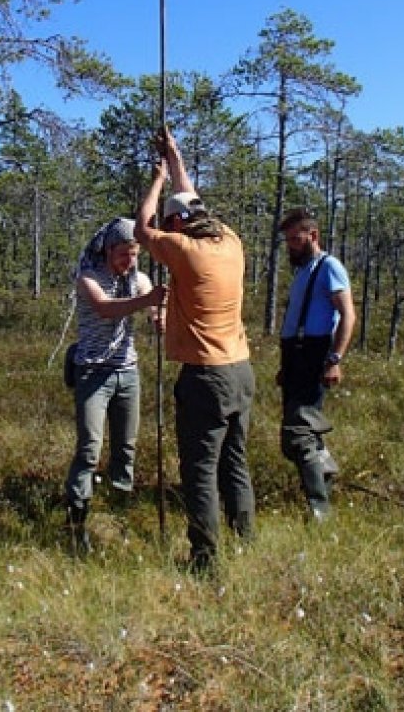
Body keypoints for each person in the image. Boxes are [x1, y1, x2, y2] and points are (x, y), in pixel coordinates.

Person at [135, 126, 255, 573]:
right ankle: (246, 539)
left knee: (200, 470)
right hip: (241, 370)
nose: (169, 230)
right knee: (235, 462)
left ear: (179, 225)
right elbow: (192, 198)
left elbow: (140, 229)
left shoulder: (185, 249)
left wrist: (156, 181)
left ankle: (205, 559)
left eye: (173, 223)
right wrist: (176, 159)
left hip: (206, 377)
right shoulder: (229, 240)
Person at [64, 217, 167, 556]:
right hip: (93, 373)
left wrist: (159, 315)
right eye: (124, 253)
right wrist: (145, 300)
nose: (130, 261)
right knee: (90, 448)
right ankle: (77, 520)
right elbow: (106, 309)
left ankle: (119, 513)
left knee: (126, 448)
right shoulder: (89, 278)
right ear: (109, 250)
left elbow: (152, 307)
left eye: (135, 254)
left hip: (128, 373)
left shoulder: (137, 279)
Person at [277, 207, 356, 520]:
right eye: (287, 240)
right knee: (297, 435)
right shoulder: (303, 270)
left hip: (314, 356)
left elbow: (348, 314)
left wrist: (334, 359)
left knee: (299, 433)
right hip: (295, 357)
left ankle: (319, 510)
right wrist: (286, 365)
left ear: (313, 236)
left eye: (296, 239)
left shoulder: (329, 266)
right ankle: (325, 470)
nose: (291, 245)